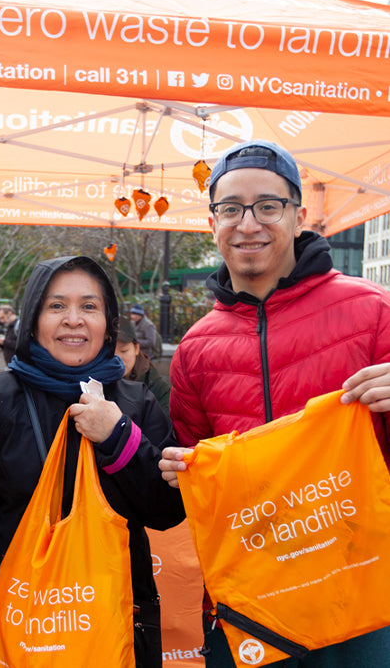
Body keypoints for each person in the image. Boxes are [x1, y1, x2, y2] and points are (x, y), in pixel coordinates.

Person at [159, 139, 390, 667]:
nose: (249, 224)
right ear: (212, 221)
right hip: (252, 603)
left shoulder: (372, 311)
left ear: (298, 215)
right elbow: (197, 482)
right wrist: (180, 472)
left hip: (361, 594)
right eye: (231, 209)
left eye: (268, 206)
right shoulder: (196, 348)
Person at [0, 255, 186, 668]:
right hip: (15, 632)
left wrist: (117, 437)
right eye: (56, 306)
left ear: (109, 323)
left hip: (117, 630)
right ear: (32, 320)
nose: (74, 320)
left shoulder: (136, 403)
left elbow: (166, 511)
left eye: (89, 306)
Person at [115, 316, 171, 413]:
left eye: (124, 351)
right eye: (110, 352)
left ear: (136, 349)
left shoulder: (158, 389)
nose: (117, 359)